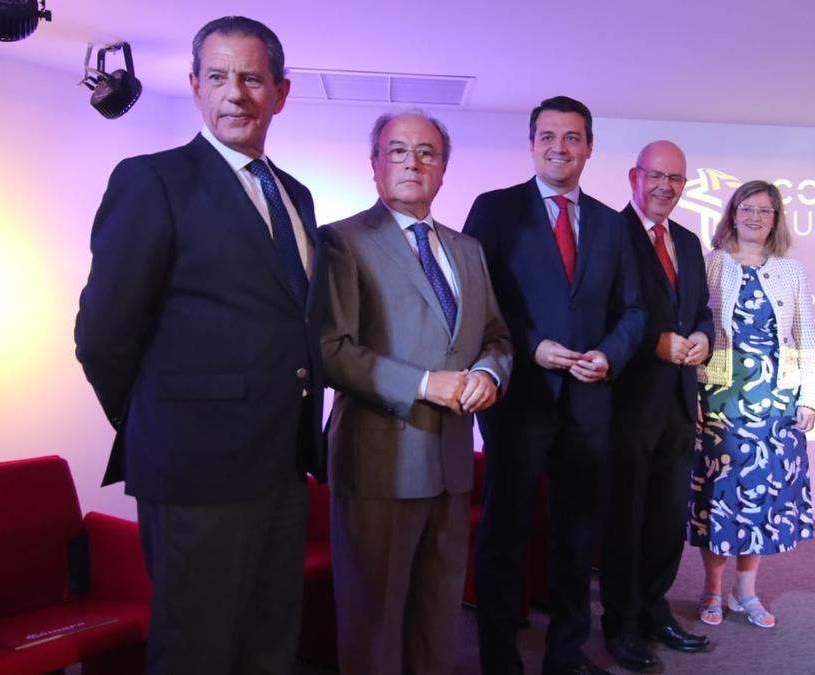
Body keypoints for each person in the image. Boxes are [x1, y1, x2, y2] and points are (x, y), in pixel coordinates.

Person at [74, 16, 324, 674]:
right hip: (193, 467)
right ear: (193, 86)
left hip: (281, 463)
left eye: (250, 77)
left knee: (271, 646)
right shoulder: (152, 180)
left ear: (281, 91)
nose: (233, 92)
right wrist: (158, 421)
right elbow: (102, 333)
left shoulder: (296, 194)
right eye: (217, 76)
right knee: (197, 652)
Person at [319, 110, 513, 675]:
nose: (413, 162)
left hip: (452, 462)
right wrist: (427, 384)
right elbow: (333, 351)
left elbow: (496, 335)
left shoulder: (468, 250)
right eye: (398, 151)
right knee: (373, 618)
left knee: (438, 612)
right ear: (375, 164)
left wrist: (489, 374)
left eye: (427, 152)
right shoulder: (343, 241)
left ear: (444, 168)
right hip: (380, 461)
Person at [464, 95, 645, 675]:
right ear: (531, 143)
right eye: (548, 136)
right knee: (505, 536)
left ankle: (565, 654)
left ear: (589, 147)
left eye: (571, 137)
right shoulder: (494, 210)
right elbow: (477, 302)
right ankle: (499, 659)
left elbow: (634, 311)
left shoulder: (614, 225)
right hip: (519, 402)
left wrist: (609, 356)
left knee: (575, 538)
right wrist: (530, 345)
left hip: (589, 404)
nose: (559, 147)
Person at [599, 141, 714, 673]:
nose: (666, 186)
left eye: (677, 179)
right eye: (657, 176)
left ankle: (654, 608)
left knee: (668, 517)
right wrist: (655, 344)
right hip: (623, 405)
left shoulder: (689, 243)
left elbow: (702, 314)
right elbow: (598, 318)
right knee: (625, 517)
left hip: (677, 405)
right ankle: (620, 624)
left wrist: (702, 339)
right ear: (634, 176)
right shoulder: (606, 234)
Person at [688, 180, 815, 630]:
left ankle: (746, 592)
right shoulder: (710, 265)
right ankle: (711, 589)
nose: (755, 217)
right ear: (732, 213)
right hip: (722, 398)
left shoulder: (791, 271)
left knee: (761, 498)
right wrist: (694, 393)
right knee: (720, 496)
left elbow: (806, 338)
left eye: (765, 210)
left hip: (776, 401)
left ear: (776, 219)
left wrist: (811, 398)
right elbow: (695, 334)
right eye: (747, 208)